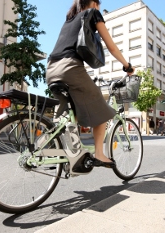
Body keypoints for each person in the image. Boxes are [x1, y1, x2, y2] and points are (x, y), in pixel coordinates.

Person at [46, 0, 134, 168]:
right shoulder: (93, 13)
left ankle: (56, 149)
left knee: (70, 115)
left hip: (51, 69)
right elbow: (112, 47)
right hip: (69, 68)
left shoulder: (69, 20)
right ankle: (100, 154)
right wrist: (127, 66)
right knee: (101, 109)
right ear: (94, 3)